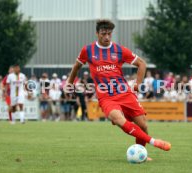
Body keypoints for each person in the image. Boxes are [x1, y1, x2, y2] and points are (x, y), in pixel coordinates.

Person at [66, 20, 171, 160]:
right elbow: (76, 67)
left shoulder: (119, 50)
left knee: (143, 125)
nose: (107, 37)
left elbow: (142, 64)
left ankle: (142, 154)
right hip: (106, 97)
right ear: (97, 33)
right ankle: (154, 142)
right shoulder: (88, 50)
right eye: (103, 34)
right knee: (119, 120)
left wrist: (137, 85)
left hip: (124, 93)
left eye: (109, 34)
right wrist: (69, 83)